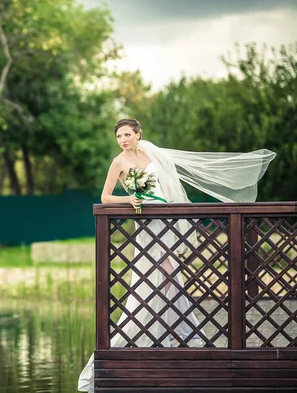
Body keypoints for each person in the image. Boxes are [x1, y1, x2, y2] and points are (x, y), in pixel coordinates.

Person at [77, 118, 276, 392]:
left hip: (165, 220)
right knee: (151, 279)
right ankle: (148, 334)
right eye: (119, 136)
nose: (123, 140)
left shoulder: (151, 153)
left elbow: (168, 185)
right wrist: (130, 200)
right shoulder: (118, 162)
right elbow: (106, 197)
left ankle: (170, 335)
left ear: (138, 134)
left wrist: (173, 209)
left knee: (170, 277)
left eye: (126, 134)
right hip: (146, 223)